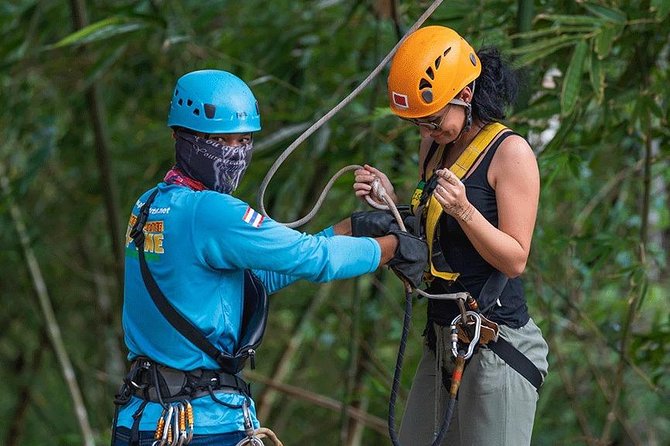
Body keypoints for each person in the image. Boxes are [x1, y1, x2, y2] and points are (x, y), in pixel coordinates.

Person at [110, 69, 427, 445]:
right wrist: (393, 248)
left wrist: (348, 229)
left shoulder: (149, 205)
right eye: (223, 141)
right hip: (201, 425)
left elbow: (252, 282)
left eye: (244, 140)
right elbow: (315, 260)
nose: (236, 152)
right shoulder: (213, 212)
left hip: (140, 421)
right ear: (185, 139)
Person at [351, 26, 549, 445]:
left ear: (465, 95)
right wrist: (389, 201)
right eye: (419, 125)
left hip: (495, 340)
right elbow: (434, 237)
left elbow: (515, 258)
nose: (426, 133)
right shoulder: (435, 148)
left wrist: (465, 209)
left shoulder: (510, 154)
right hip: (443, 338)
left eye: (433, 121)